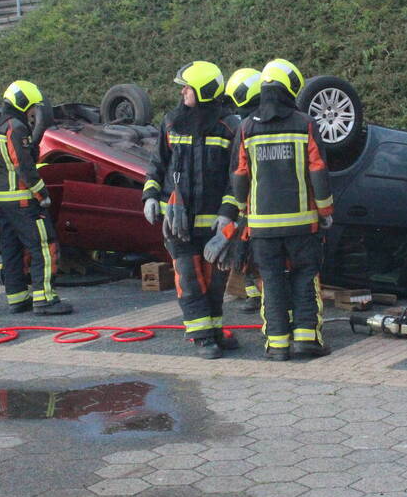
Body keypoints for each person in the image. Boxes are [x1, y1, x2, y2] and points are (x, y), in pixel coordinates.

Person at [226, 59, 334, 360]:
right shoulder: (305, 124)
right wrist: (325, 211)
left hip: (262, 227)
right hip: (302, 224)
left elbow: (239, 175)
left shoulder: (247, 127)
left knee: (271, 281)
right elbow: (318, 171)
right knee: (305, 276)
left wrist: (242, 214)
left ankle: (277, 345)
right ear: (290, 89)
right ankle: (307, 339)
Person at [142, 61, 239, 359]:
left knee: (215, 281)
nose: (182, 92)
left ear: (204, 91)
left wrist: (228, 213)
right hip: (178, 221)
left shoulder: (229, 127)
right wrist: (150, 196)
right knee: (189, 279)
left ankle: (214, 331)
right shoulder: (172, 122)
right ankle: (201, 337)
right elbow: (158, 164)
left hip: (214, 223)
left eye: (188, 87)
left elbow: (237, 176)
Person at [0, 80, 72, 315]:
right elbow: (23, 165)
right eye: (32, 108)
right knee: (44, 245)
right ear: (23, 104)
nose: (33, 113)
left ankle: (17, 298)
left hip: (2, 201)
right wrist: (41, 193)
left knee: (11, 249)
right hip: (23, 201)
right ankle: (45, 299)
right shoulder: (16, 127)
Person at [222, 67, 264, 312]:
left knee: (250, 250)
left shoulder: (247, 127)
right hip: (257, 200)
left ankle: (258, 294)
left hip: (251, 200)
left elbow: (237, 169)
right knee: (246, 250)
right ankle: (253, 293)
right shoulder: (250, 123)